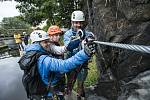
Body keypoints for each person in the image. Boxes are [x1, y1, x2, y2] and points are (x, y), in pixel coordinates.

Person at [20, 30, 96, 100]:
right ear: (37, 43)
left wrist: (76, 41)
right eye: (45, 42)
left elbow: (60, 50)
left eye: (48, 41)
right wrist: (85, 52)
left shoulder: (30, 52)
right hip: (49, 93)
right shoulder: (44, 59)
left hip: (39, 92)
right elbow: (65, 65)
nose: (48, 44)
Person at [64, 10, 95, 99]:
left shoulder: (87, 34)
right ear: (72, 22)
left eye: (80, 22)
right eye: (76, 22)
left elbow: (92, 44)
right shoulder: (68, 34)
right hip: (70, 63)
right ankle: (68, 96)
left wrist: (90, 40)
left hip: (82, 64)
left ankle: (79, 97)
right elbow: (68, 47)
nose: (78, 25)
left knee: (80, 84)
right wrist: (79, 39)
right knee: (70, 83)